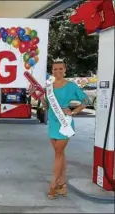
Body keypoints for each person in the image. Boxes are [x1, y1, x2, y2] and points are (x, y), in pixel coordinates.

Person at [40, 59, 90, 199]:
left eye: (60, 69)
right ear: (52, 71)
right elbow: (46, 106)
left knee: (58, 153)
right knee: (60, 153)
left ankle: (53, 185)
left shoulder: (71, 86)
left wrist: (74, 111)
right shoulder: (48, 87)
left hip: (64, 124)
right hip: (53, 123)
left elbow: (86, 100)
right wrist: (37, 97)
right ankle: (63, 184)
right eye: (55, 69)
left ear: (65, 70)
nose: (58, 71)